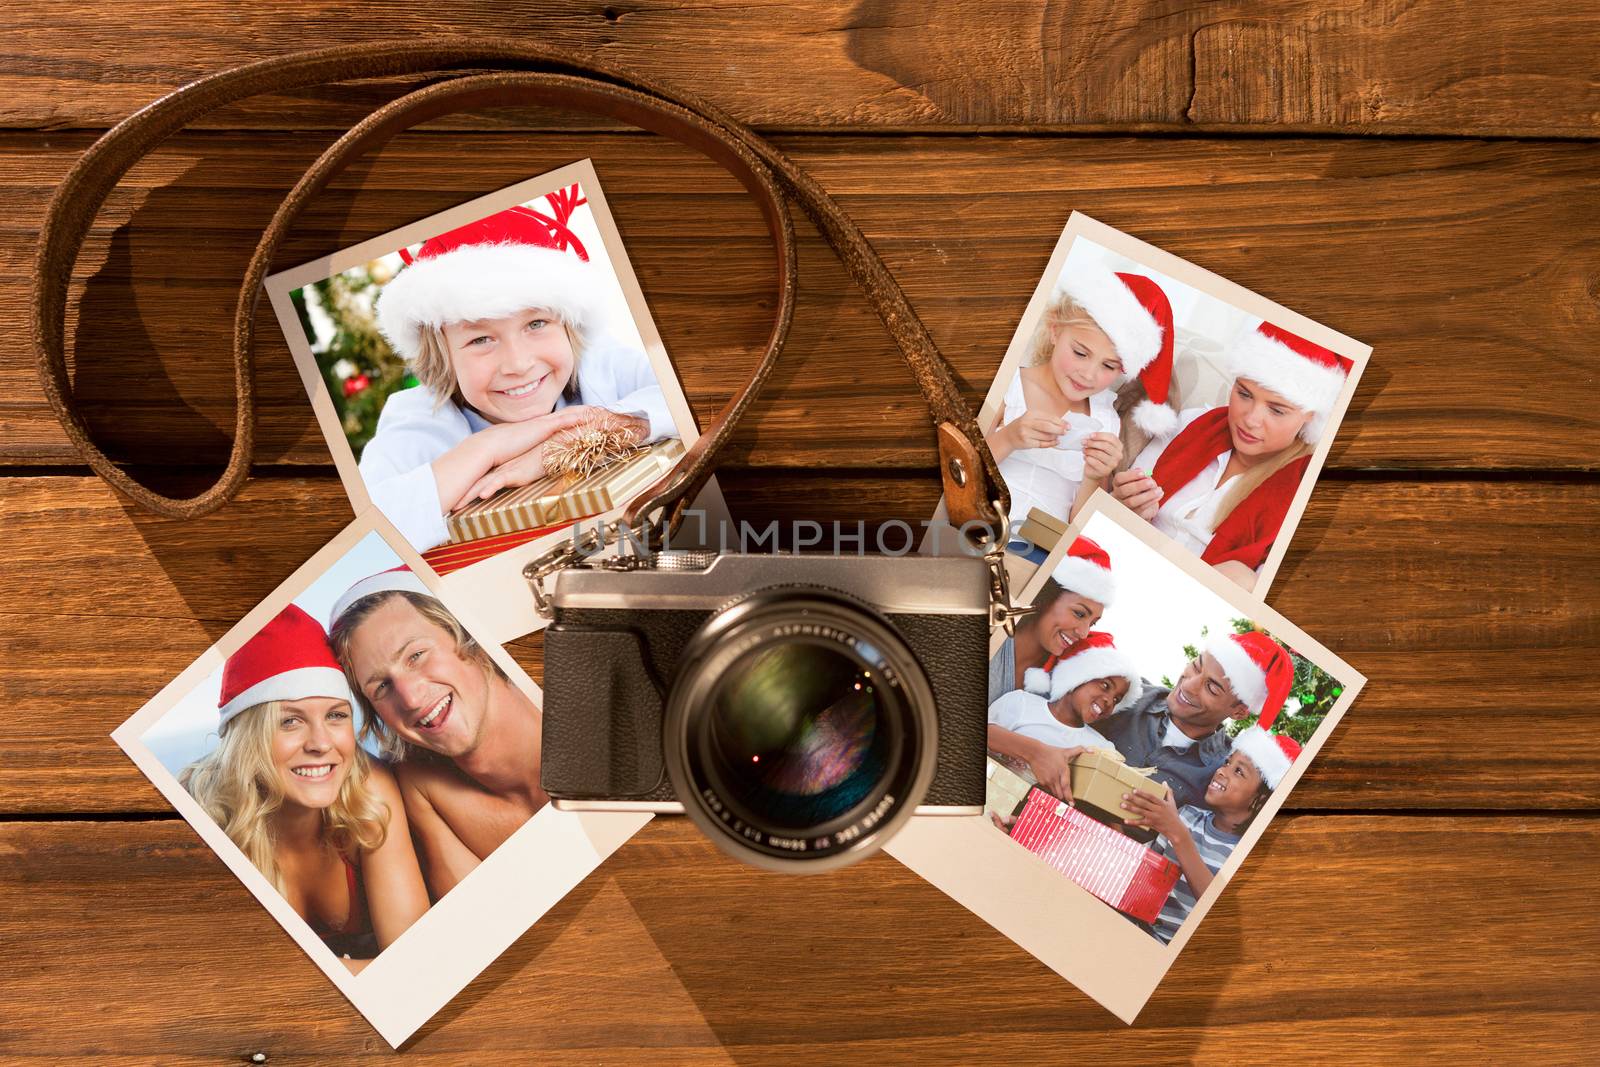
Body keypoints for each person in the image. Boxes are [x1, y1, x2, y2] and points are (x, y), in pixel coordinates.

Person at [361, 191, 679, 551]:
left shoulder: (600, 361)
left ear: (568, 325)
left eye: (537, 323)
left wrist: (564, 443)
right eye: (481, 340)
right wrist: (485, 448)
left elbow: (687, 399)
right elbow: (364, 537)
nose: (518, 364)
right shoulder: (416, 417)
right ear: (443, 357)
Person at [180, 604, 429, 971]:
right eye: (290, 721)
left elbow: (418, 964)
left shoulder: (367, 789)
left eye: (336, 716)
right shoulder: (199, 818)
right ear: (249, 738)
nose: (321, 743)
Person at [328, 568, 547, 900]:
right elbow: (487, 919)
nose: (411, 698)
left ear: (464, 635)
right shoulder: (420, 784)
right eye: (382, 686)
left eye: (416, 655)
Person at [1110, 321, 1353, 588]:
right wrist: (1121, 503)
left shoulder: (1306, 492)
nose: (1251, 419)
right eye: (1244, 393)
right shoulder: (1193, 423)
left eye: (1277, 410)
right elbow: (1127, 495)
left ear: (1310, 417)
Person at [987, 265, 1177, 543]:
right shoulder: (1011, 383)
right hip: (981, 524)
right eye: (1080, 353)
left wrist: (1093, 476)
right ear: (1054, 331)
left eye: (1109, 366)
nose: (1088, 375)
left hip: (1038, 550)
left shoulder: (1105, 420)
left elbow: (1078, 528)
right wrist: (1010, 437)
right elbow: (962, 468)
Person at [1120, 725, 1302, 944]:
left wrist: (1179, 835)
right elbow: (1134, 867)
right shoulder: (1188, 814)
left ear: (1260, 800)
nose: (1222, 771)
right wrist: (1115, 811)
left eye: (1239, 771)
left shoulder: (1249, 855)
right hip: (1130, 925)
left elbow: (1221, 911)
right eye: (1227, 762)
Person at [1092, 629, 1294, 809]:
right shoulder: (1127, 693)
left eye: (1212, 688)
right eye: (1197, 667)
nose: (1189, 686)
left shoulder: (1223, 772)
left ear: (1239, 712)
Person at [985, 631, 1142, 798]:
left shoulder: (1102, 749)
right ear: (1078, 677)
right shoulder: (1020, 703)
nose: (1109, 701)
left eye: (1117, 699)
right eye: (1105, 685)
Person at [987, 535, 1117, 706]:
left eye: (1092, 623)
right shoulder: (991, 631)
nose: (1084, 633)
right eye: (1079, 614)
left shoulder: (1056, 686)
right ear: (1047, 597)